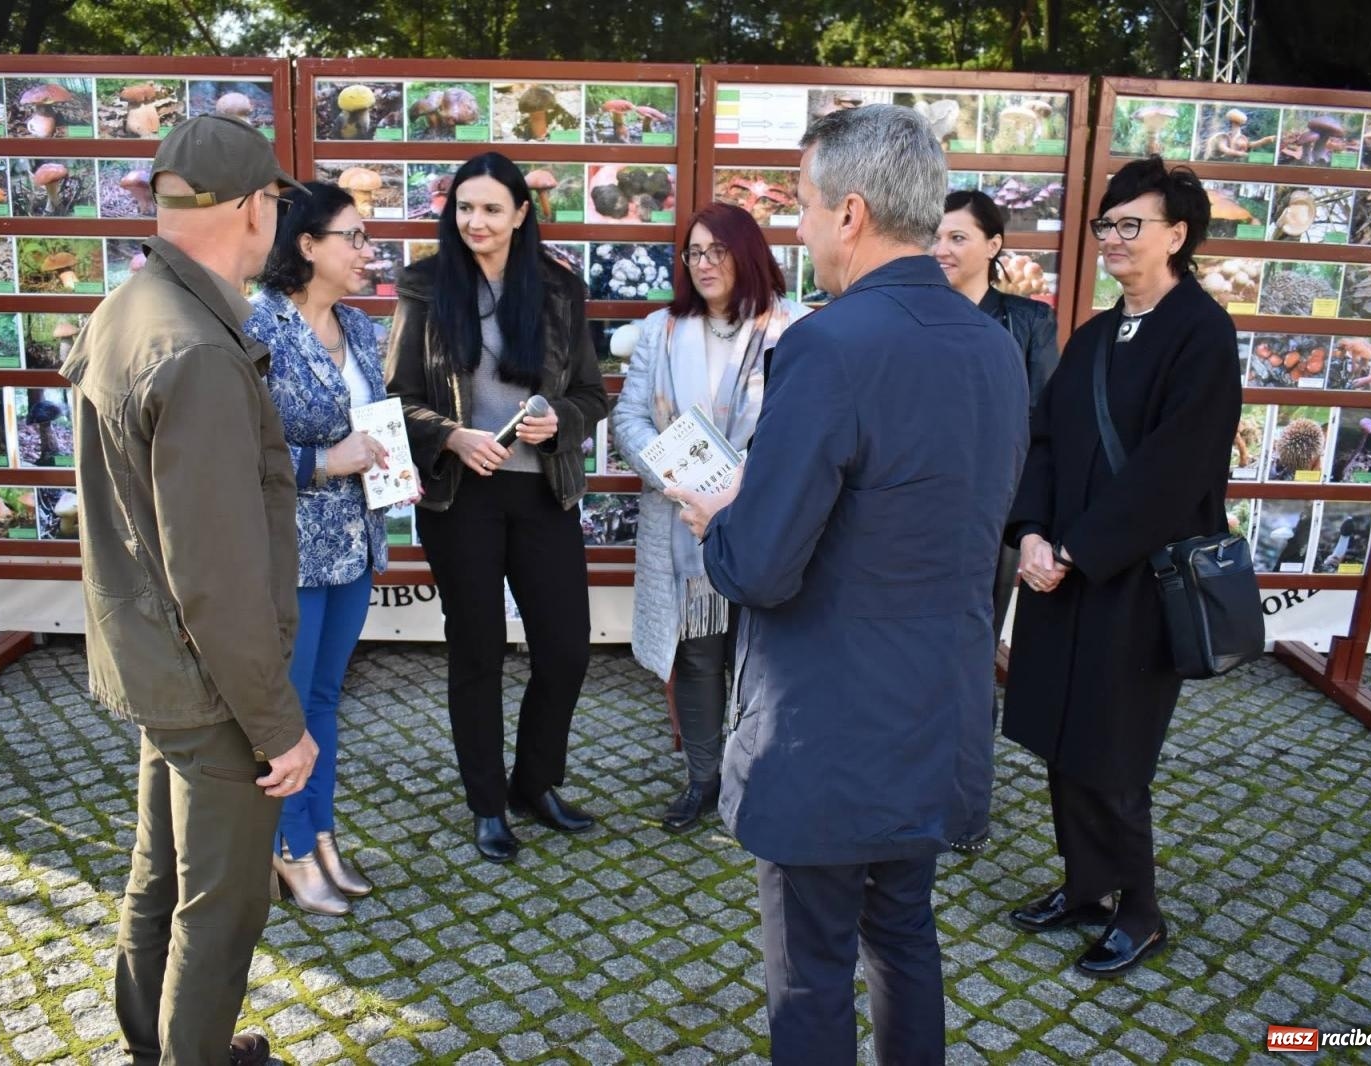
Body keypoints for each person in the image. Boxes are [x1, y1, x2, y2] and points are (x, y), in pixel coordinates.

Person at [670, 105, 1027, 1065]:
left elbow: (762, 564)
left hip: (827, 722)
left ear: (852, 213)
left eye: (804, 204)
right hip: (936, 705)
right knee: (904, 931)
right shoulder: (992, 344)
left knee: (814, 963)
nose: (798, 226)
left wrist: (720, 522)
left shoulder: (828, 346)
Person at [61, 115, 316, 1066]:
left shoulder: (134, 304)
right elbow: (217, 578)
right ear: (254, 207)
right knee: (222, 905)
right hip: (209, 681)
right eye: (277, 204)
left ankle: (152, 1043)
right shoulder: (198, 350)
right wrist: (277, 724)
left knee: (159, 875)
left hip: (157, 660)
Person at [1003, 156, 1241, 977]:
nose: (1112, 237)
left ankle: (1139, 911)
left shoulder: (1203, 333)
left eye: (1129, 224)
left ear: (1178, 235)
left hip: (1136, 581)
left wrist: (1076, 551)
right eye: (1106, 224)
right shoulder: (1099, 333)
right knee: (1062, 736)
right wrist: (1031, 533)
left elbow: (1173, 474)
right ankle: (1084, 887)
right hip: (1061, 574)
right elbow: (1045, 439)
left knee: (1115, 747)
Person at [384, 151, 608, 864]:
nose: (475, 221)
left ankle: (534, 782)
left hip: (543, 491)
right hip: (461, 497)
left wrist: (558, 425)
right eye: (465, 208)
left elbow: (591, 397)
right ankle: (487, 803)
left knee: (567, 649)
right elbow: (398, 400)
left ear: (520, 214)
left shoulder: (557, 290)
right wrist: (450, 434)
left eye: (490, 208)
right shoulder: (423, 286)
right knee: (476, 653)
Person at [612, 200, 809, 832]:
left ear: (745, 253)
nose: (703, 263)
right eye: (693, 252)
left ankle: (757, 777)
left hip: (764, 521)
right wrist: (675, 477)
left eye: (716, 250)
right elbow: (629, 418)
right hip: (683, 524)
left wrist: (746, 485)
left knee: (763, 658)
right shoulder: (663, 329)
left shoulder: (791, 330)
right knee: (697, 656)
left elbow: (804, 428)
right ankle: (703, 778)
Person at [244, 181, 397, 916]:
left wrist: (396, 472)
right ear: (307, 245)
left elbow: (375, 421)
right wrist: (322, 464)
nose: (367, 252)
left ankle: (323, 836)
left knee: (328, 700)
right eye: (355, 237)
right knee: (291, 708)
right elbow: (238, 450)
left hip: (357, 543)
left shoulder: (361, 327)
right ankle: (289, 847)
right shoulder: (257, 329)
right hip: (290, 551)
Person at [932, 188, 1062, 855]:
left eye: (959, 236)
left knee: (970, 653)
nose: (944, 248)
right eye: (937, 236)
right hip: (917, 510)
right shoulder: (916, 313)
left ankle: (964, 808)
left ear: (994, 245)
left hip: (992, 514)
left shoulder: (1027, 322)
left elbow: (1042, 426)